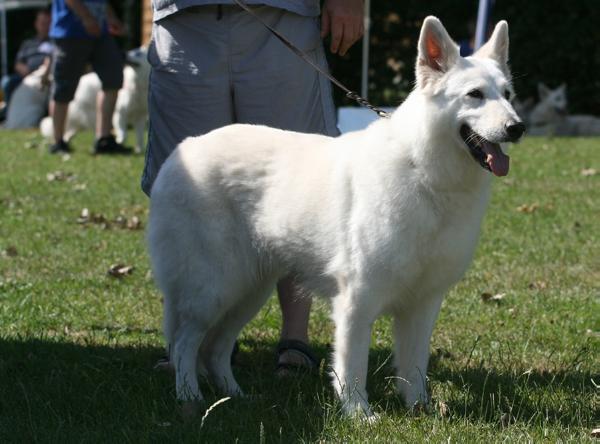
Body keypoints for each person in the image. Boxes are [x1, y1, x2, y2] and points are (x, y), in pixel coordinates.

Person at [142, 0, 364, 373]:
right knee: (184, 187)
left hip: (282, 15)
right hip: (183, 21)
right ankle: (187, 346)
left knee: (302, 183)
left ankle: (296, 339)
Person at [48, 0, 131, 155]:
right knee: (63, 87)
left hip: (100, 33)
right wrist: (86, 18)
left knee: (113, 79)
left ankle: (104, 139)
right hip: (70, 32)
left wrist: (111, 18)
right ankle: (58, 141)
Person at [1, 8, 52, 109]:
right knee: (7, 81)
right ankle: (8, 112)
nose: (45, 27)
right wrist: (26, 71)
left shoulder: (56, 43)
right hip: (26, 76)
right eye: (42, 23)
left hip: (47, 77)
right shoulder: (28, 43)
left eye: (48, 23)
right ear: (36, 24)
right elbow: (18, 63)